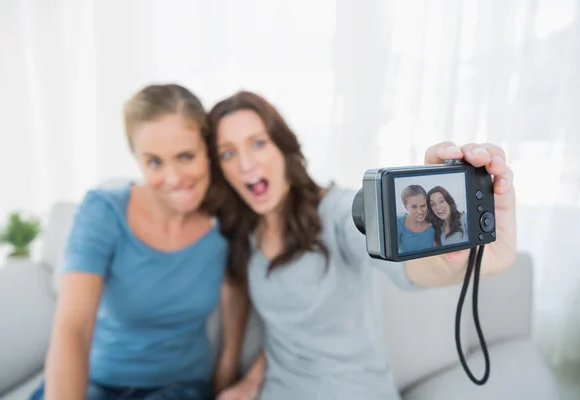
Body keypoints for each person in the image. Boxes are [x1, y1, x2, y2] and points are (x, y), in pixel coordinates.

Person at [206, 90, 517, 400]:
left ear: (282, 147)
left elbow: (411, 269)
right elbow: (285, 332)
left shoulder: (337, 212)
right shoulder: (243, 230)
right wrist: (247, 383)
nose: (245, 164)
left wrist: (475, 262)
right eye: (228, 153)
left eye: (258, 143)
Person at [29, 84, 249, 400]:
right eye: (154, 163)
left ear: (209, 150)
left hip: (178, 387)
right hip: (94, 380)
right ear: (138, 161)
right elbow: (73, 331)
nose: (173, 178)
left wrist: (229, 360)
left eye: (186, 156)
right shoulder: (104, 211)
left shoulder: (227, 219)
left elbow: (235, 287)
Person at [396, 184, 435, 254]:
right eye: (414, 207)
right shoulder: (398, 223)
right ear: (406, 206)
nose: (420, 211)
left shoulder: (433, 224)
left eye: (423, 206)